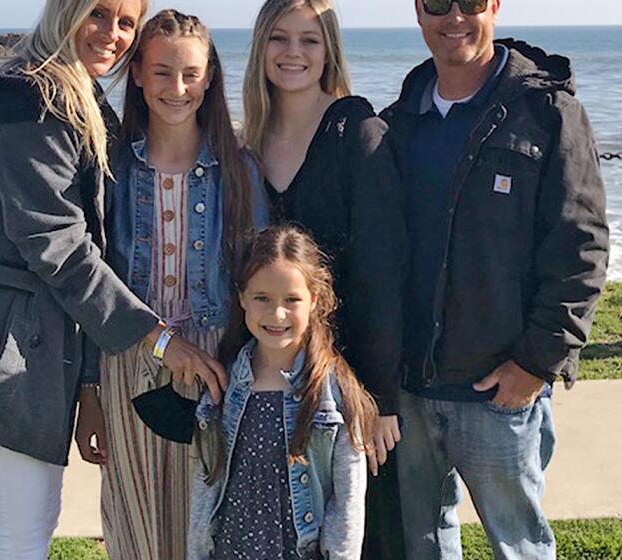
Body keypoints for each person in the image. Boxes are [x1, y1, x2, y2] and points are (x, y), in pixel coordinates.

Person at [0, 1, 232, 558]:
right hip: (8, 351)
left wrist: (89, 386)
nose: (111, 34)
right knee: (21, 531)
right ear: (65, 11)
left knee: (28, 525)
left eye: (125, 23)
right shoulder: (30, 104)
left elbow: (93, 253)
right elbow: (59, 248)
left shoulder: (77, 99)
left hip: (42, 351)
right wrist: (157, 337)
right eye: (97, 13)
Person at [378, 0, 610, 558]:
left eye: (472, 2)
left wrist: (536, 364)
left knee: (519, 547)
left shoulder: (549, 112)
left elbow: (581, 247)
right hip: (411, 388)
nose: (454, 16)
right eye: (437, 2)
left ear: (496, 7)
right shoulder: (395, 121)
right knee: (423, 545)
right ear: (417, 11)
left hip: (500, 392)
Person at [73, 10, 269, 560]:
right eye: (161, 72)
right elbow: (95, 287)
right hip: (128, 356)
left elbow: (259, 285)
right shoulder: (109, 168)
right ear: (136, 73)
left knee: (207, 530)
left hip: (214, 364)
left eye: (190, 74)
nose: (176, 88)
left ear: (209, 78)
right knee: (136, 532)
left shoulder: (240, 169)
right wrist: (89, 391)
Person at [242, 3, 407, 552]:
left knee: (356, 535)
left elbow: (384, 272)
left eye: (309, 41)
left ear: (329, 49)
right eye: (280, 39)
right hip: (274, 380)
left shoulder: (357, 131)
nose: (293, 53)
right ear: (261, 46)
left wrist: (380, 398)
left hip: (349, 388)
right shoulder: (248, 143)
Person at [188, 225, 377, 560]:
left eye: (292, 300)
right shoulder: (224, 386)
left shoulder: (333, 392)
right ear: (242, 297)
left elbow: (347, 501)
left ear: (314, 300)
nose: (277, 314)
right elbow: (206, 483)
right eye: (262, 298)